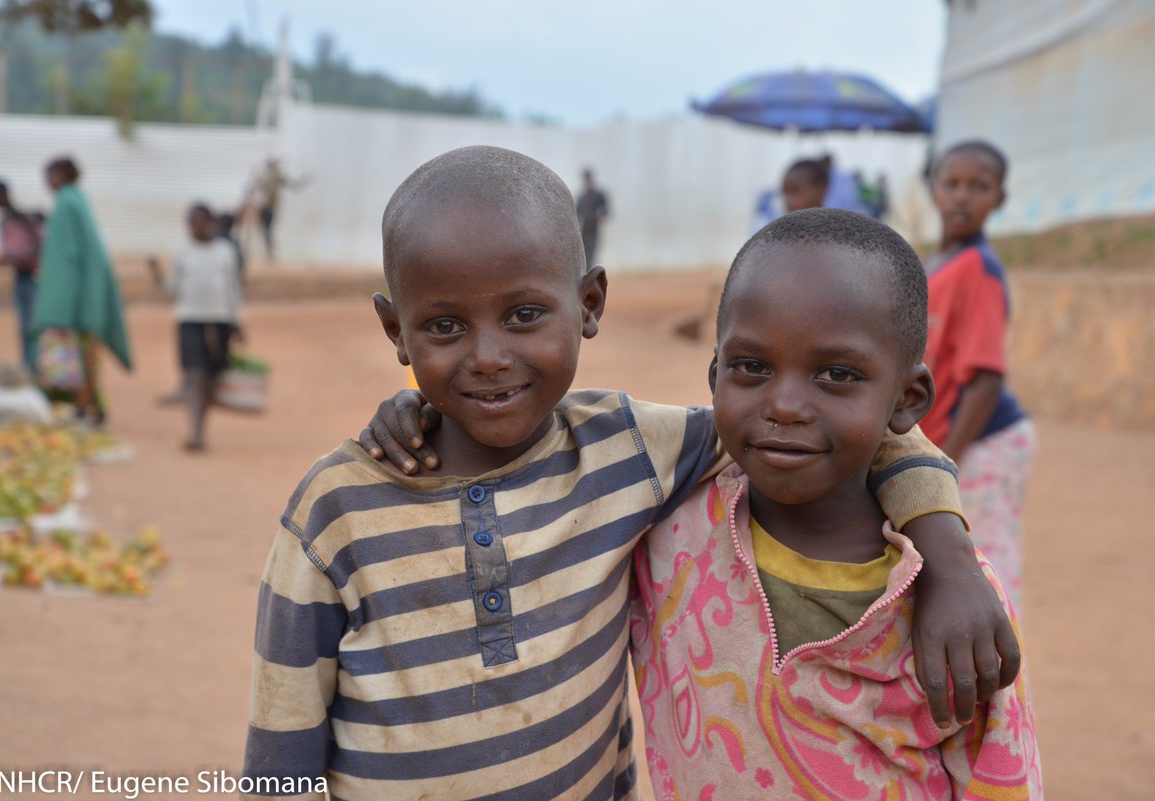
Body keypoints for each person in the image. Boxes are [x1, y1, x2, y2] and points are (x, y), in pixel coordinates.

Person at [244, 145, 1020, 801]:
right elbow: (281, 741)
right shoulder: (336, 509)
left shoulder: (629, 448)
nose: (488, 356)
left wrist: (950, 558)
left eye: (523, 315)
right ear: (396, 330)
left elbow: (852, 430)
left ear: (589, 303)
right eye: (444, 326)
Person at [630, 208, 1041, 798]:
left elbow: (1000, 775)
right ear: (716, 373)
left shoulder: (955, 599)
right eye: (751, 367)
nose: (785, 405)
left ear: (908, 398)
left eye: (837, 374)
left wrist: (950, 563)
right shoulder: (664, 522)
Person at [922, 140, 1034, 612]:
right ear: (933, 189)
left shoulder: (979, 270)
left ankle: (1006, 659)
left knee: (983, 565)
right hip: (949, 442)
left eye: (978, 186)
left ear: (999, 199)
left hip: (982, 442)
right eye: (951, 183)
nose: (962, 197)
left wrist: (945, 464)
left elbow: (985, 379)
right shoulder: (933, 266)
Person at [30, 156, 131, 426]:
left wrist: (61, 305)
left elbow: (68, 261)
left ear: (62, 175)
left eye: (50, 175)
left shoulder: (66, 203)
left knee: (78, 359)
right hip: (83, 300)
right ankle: (89, 408)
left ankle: (88, 408)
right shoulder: (77, 201)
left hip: (73, 304)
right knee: (84, 357)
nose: (46, 181)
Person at [147, 204, 243, 452]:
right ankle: (195, 431)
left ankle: (201, 424)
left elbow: (233, 289)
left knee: (211, 375)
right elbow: (173, 290)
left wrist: (237, 322)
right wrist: (157, 275)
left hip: (219, 320)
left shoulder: (225, 252)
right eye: (191, 223)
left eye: (200, 222)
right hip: (190, 319)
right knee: (194, 373)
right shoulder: (182, 252)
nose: (196, 227)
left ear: (210, 223)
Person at [0, 179, 43, 370]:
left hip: (31, 277)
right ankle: (30, 367)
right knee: (26, 327)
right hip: (23, 277)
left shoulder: (19, 220)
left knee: (31, 327)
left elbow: (22, 252)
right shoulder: (10, 220)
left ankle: (34, 368)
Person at [251, 157, 306, 261]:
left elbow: (294, 185)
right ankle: (268, 252)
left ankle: (269, 252)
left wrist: (303, 181)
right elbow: (256, 188)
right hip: (265, 208)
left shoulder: (276, 178)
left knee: (267, 230)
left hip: (270, 209)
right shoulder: (267, 178)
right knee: (265, 230)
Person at [576, 167, 609, 268]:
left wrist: (597, 218)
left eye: (588, 178)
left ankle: (589, 274)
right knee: (583, 256)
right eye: (585, 178)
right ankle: (584, 273)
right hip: (583, 231)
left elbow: (606, 211)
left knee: (590, 256)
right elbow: (577, 214)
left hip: (593, 231)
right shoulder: (582, 197)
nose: (587, 181)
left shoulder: (599, 195)